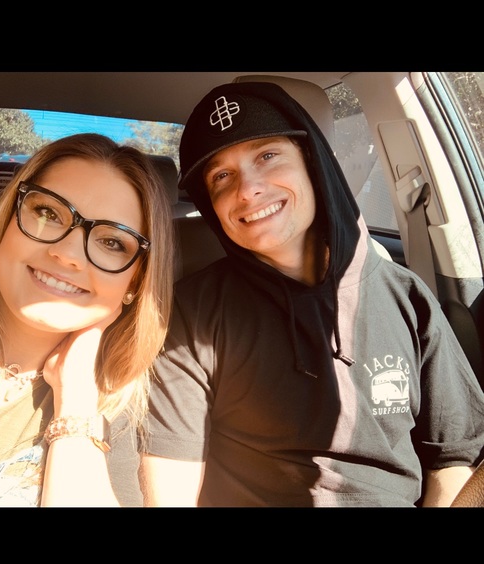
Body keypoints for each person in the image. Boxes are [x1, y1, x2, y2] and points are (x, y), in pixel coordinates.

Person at [140, 81, 484, 507]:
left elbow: (453, 456)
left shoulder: (408, 298)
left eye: (267, 156)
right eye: (222, 176)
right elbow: (171, 488)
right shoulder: (189, 316)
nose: (247, 189)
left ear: (312, 163)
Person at [0, 133, 174, 507]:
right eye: (48, 213)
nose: (67, 254)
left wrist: (76, 398)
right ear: (6, 221)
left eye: (112, 242)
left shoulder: (121, 407)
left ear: (135, 282)